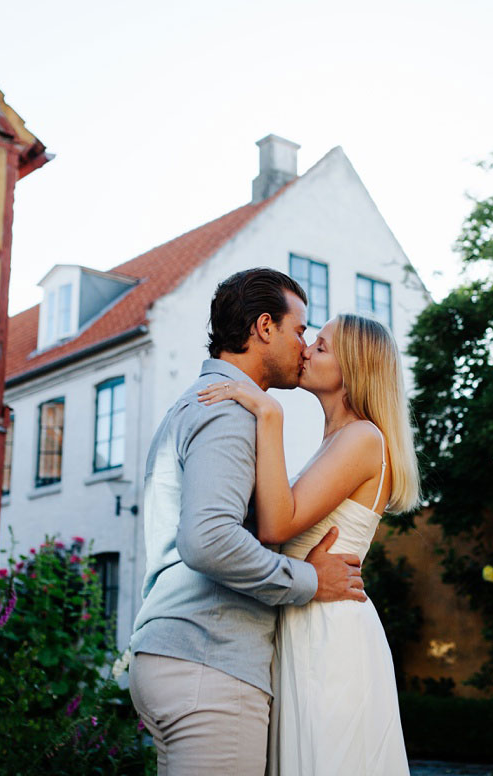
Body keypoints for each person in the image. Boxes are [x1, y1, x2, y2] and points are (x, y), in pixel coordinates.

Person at [128, 268, 367, 776]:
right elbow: (208, 539)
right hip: (210, 664)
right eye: (300, 331)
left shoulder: (200, 403)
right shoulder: (229, 412)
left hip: (179, 656)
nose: (305, 347)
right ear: (264, 328)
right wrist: (310, 579)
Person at [198, 312, 420, 775]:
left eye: (320, 347)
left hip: (330, 634)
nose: (305, 350)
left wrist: (268, 412)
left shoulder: (362, 438)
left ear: (352, 369)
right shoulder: (336, 440)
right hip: (305, 620)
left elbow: (276, 526)